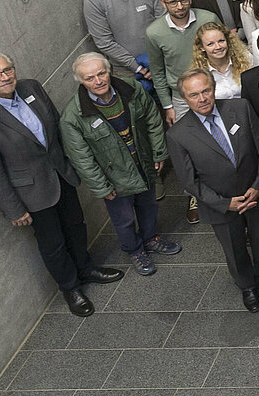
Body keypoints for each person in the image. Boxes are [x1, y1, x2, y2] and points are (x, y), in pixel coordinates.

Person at [0, 52, 125, 317]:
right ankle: (71, 288)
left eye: (7, 69)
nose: (4, 77)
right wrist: (13, 209)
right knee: (53, 244)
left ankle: (86, 269)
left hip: (61, 175)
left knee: (76, 226)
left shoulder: (31, 87)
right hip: (32, 193)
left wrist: (72, 165)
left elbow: (56, 124)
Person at [167, 69, 259, 312]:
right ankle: (247, 285)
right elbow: (189, 181)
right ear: (185, 99)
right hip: (221, 203)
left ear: (213, 88)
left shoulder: (241, 108)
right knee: (233, 247)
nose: (202, 98)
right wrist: (226, 204)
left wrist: (258, 185)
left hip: (254, 190)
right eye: (194, 95)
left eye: (206, 90)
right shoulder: (178, 134)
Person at [60, 53, 181, 277]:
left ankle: (150, 238)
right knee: (123, 219)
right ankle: (134, 250)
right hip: (114, 178)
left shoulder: (131, 89)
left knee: (149, 206)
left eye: (101, 73)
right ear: (80, 81)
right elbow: (81, 157)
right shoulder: (73, 116)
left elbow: (153, 120)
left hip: (143, 163)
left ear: (109, 71)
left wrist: (158, 153)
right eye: (89, 78)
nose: (98, 81)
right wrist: (102, 187)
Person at [146, 0, 221, 123]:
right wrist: (168, 106)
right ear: (163, 3)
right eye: (173, 3)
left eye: (183, 0)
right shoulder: (154, 33)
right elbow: (158, 72)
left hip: (214, 88)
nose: (179, 7)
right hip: (181, 98)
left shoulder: (208, 19)